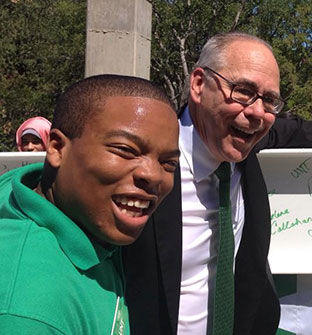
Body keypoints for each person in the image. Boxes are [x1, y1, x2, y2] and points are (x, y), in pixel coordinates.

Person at [123, 32, 312, 335]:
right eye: (242, 91)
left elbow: (293, 130)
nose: (257, 112)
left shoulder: (247, 142)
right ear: (198, 84)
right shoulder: (142, 169)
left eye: (269, 100)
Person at [0, 75, 180, 334]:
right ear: (57, 147)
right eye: (125, 150)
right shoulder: (28, 313)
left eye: (168, 163)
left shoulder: (91, 223)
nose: (152, 176)